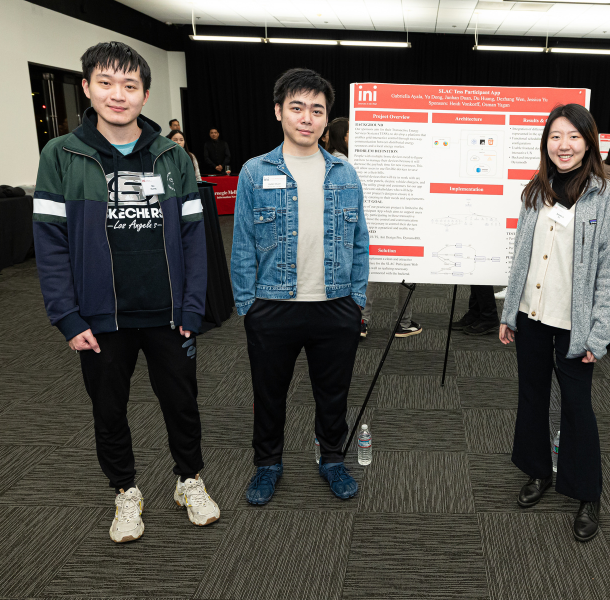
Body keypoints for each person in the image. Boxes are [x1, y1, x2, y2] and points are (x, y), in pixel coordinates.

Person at [32, 41, 219, 544]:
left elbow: (194, 241)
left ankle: (189, 481)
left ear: (145, 93)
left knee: (182, 403)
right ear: (88, 88)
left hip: (168, 314)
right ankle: (125, 491)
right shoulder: (61, 155)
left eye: (130, 86)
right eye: (107, 83)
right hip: (99, 318)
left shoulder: (172, 157)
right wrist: (68, 319)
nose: (119, 95)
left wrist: (193, 306)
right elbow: (49, 246)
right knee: (108, 409)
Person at [231, 68, 368, 504]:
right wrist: (247, 306)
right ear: (278, 112)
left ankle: (332, 459)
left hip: (335, 303)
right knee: (269, 394)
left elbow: (360, 240)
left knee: (334, 394)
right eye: (297, 108)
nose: (306, 118)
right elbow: (243, 245)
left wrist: (357, 301)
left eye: (317, 110)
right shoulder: (255, 173)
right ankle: (267, 465)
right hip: (273, 304)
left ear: (327, 119)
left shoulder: (345, 173)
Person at [499, 103, 610, 543]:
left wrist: (600, 333)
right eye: (555, 136)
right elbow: (521, 258)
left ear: (588, 140)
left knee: (577, 408)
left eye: (573, 136)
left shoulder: (603, 195)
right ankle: (538, 472)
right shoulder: (536, 189)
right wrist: (509, 310)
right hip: (532, 315)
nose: (563, 145)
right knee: (531, 398)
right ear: (545, 142)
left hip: (576, 325)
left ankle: (587, 492)